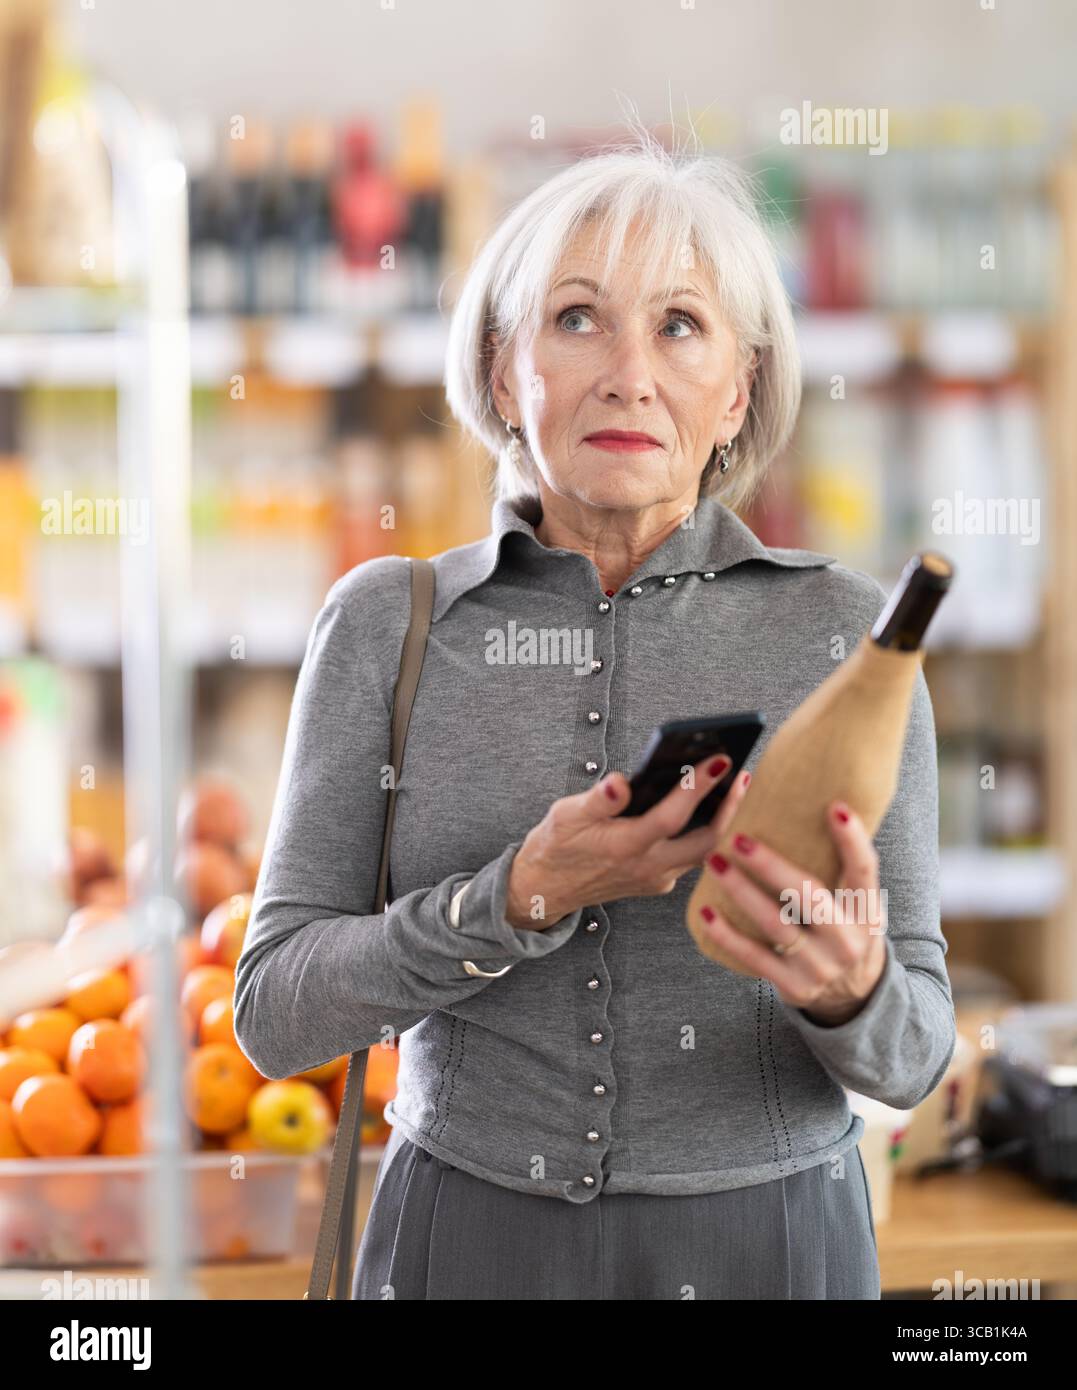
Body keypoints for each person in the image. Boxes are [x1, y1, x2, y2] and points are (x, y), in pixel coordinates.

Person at [234, 128, 956, 1300]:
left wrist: (848, 992)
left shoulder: (845, 637)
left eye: (679, 325)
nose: (629, 373)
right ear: (503, 364)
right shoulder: (386, 625)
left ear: (740, 390)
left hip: (765, 1250)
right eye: (577, 319)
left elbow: (919, 1051)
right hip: (465, 1244)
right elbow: (273, 1014)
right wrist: (522, 893)